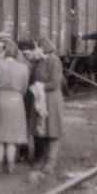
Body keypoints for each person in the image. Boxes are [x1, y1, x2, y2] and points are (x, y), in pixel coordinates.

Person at [0, 41, 30, 173]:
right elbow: (24, 87)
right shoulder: (23, 67)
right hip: (16, 100)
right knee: (12, 136)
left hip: (0, 98)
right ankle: (11, 165)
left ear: (4, 52)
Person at [31, 37, 66, 174]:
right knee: (44, 128)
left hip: (52, 99)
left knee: (53, 129)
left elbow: (55, 83)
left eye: (36, 48)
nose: (34, 50)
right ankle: (44, 160)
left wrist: (40, 86)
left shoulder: (54, 60)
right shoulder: (41, 61)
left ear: (42, 48)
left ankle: (51, 162)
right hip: (43, 98)